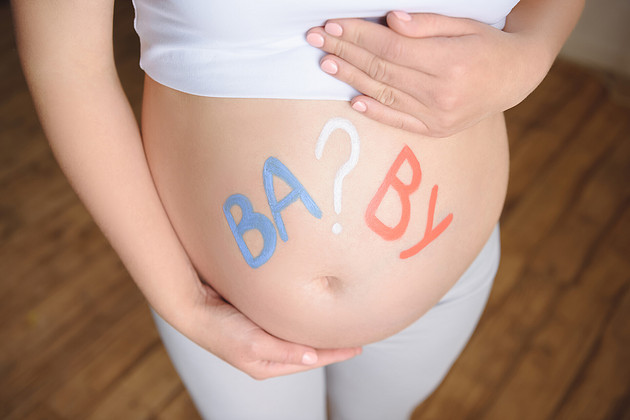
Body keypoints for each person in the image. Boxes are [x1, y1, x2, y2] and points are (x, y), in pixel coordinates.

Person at [12, 0, 583, 418]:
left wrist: (531, 53)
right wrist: (183, 302)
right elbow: (66, 64)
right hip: (215, 297)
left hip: (444, 287)